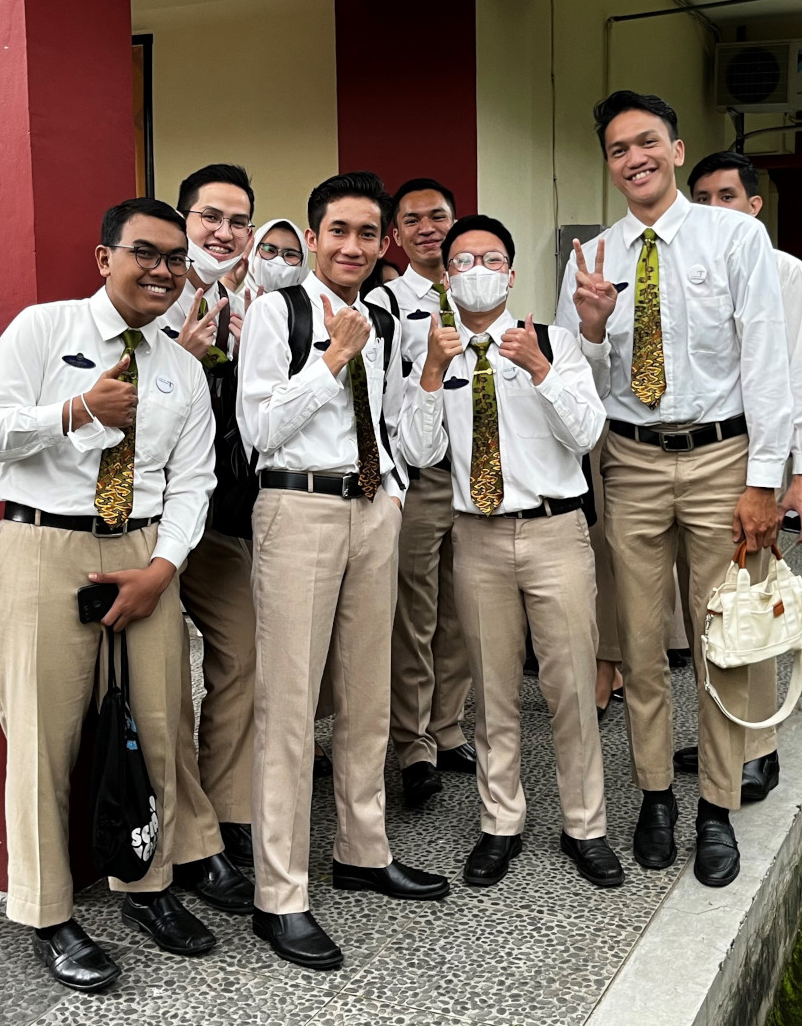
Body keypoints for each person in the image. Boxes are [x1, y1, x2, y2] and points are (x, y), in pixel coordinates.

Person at [0, 199, 229, 990]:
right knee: (44, 739)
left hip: (146, 549)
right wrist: (77, 410)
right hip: (45, 546)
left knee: (159, 728)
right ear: (102, 256)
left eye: (175, 259)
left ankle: (147, 886)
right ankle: (48, 914)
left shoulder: (182, 368)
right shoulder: (43, 332)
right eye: (144, 252)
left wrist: (164, 568)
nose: (161, 270)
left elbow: (195, 481)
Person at [556, 91, 793, 889]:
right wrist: (589, 329)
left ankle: (716, 808)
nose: (634, 158)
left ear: (678, 149)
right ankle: (656, 794)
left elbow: (768, 359)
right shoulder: (593, 260)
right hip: (632, 461)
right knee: (642, 642)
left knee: (723, 639)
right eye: (619, 148)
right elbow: (576, 389)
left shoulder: (736, 237)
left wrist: (767, 481)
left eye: (647, 142)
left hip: (723, 459)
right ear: (610, 163)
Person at [238, 171, 449, 972]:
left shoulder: (387, 323)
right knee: (289, 706)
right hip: (298, 511)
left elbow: (412, 439)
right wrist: (331, 361)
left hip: (372, 508)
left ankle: (363, 850)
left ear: (381, 243)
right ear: (315, 237)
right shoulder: (276, 311)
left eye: (369, 234)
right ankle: (279, 895)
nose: (354, 247)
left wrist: (425, 384)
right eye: (340, 233)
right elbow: (259, 426)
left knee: (369, 693)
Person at [403, 215, 623, 889]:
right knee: (492, 689)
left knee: (569, 686)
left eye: (491, 258)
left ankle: (585, 825)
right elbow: (419, 453)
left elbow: (587, 434)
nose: (476, 268)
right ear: (447, 275)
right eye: (463, 258)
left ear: (511, 273)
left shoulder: (554, 341)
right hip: (478, 537)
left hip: (557, 533)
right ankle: (500, 822)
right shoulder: (435, 351)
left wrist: (542, 370)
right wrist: (432, 376)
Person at [671, 150, 802, 800]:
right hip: (688, 465)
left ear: (754, 206)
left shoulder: (783, 272)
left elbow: (799, 376)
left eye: (726, 196)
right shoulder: (679, 273)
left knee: (749, 604)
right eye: (701, 196)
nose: (713, 209)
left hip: (751, 466)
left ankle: (756, 749)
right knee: (707, 612)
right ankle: (721, 736)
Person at [157, 164, 262, 905]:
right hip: (148, 522)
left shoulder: (255, 301)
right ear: (183, 220)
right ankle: (183, 827)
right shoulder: (150, 296)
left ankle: (228, 812)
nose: (222, 233)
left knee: (244, 654)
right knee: (164, 682)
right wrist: (180, 364)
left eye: (237, 221)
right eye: (209, 218)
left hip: (219, 520)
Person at [365, 177, 477, 811]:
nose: (428, 228)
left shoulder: (477, 294)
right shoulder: (384, 302)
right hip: (420, 475)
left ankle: (450, 724)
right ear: (395, 236)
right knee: (416, 610)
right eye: (413, 221)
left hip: (477, 472)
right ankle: (413, 746)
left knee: (463, 607)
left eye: (439, 216)